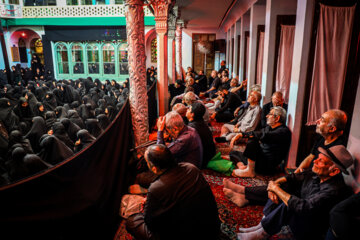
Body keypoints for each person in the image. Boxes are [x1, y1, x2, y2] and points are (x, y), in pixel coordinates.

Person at [222, 109, 349, 207]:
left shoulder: (337, 149)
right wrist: (298, 170)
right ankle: (244, 194)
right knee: (277, 183)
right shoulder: (322, 139)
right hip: (308, 176)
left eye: (321, 120)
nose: (317, 121)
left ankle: (244, 194)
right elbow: (310, 157)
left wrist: (295, 178)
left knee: (283, 188)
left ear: (332, 128)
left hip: (316, 181)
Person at [236, 144, 353, 240]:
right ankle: (261, 226)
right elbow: (294, 177)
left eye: (321, 160)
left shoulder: (333, 190)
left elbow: (304, 207)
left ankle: (262, 233)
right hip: (302, 218)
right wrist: (275, 185)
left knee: (291, 203)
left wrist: (275, 188)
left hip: (311, 231)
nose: (314, 161)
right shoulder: (318, 174)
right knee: (285, 188)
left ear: (334, 171)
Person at [126, 144, 220, 240]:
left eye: (147, 162)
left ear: (154, 168)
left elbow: (150, 223)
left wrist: (150, 204)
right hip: (212, 228)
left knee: (132, 221)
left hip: (187, 234)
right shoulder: (191, 168)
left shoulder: (156, 188)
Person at [230, 106, 291, 177]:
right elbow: (258, 132)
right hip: (259, 158)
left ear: (277, 118)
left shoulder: (283, 131)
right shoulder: (269, 128)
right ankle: (243, 166)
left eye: (270, 114)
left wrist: (242, 134)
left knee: (252, 140)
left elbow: (263, 135)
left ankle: (250, 171)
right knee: (233, 153)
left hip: (267, 164)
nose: (266, 116)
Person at [186, 102, 216, 168]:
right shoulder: (202, 123)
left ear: (192, 114)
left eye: (189, 109)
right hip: (209, 155)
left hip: (201, 161)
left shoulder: (192, 128)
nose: (187, 110)